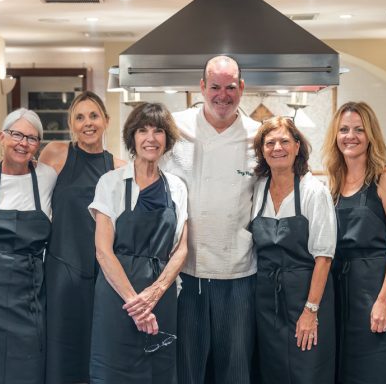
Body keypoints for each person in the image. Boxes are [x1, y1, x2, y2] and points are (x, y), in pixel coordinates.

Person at [161, 55, 260, 384]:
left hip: (239, 272)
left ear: (241, 88)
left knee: (236, 368)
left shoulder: (258, 137)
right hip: (186, 272)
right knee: (187, 367)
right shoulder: (175, 127)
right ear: (201, 87)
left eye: (230, 87)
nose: (222, 95)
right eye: (214, 86)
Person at [88, 102, 188, 383]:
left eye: (158, 131)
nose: (150, 138)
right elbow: (103, 251)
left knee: (159, 371)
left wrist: (154, 294)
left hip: (161, 296)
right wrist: (136, 303)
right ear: (132, 137)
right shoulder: (111, 183)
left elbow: (182, 248)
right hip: (118, 298)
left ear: (167, 139)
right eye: (142, 130)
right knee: (114, 370)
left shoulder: (177, 187)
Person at [39, 91, 124, 384]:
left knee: (100, 352)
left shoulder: (120, 167)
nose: (87, 123)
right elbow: (29, 195)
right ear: (71, 124)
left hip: (104, 277)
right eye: (79, 117)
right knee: (61, 354)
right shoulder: (55, 153)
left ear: (106, 121)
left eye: (93, 115)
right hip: (61, 272)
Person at [250, 117, 336, 384]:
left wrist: (311, 311)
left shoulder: (314, 191)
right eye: (270, 142)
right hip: (266, 301)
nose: (277, 147)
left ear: (297, 147)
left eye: (285, 141)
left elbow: (324, 257)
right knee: (271, 372)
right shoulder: (258, 189)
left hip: (306, 296)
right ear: (262, 151)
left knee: (307, 371)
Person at [323, 101, 386, 384]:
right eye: (344, 130)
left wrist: (385, 301)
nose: (350, 136)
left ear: (370, 135)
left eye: (358, 130)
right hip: (340, 292)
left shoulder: (385, 177)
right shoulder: (335, 182)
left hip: (374, 289)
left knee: (374, 370)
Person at [0, 109, 57, 384]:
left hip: (30, 291)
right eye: (17, 134)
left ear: (38, 145)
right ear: (2, 137)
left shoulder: (48, 177)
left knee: (30, 364)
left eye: (32, 138)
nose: (23, 143)